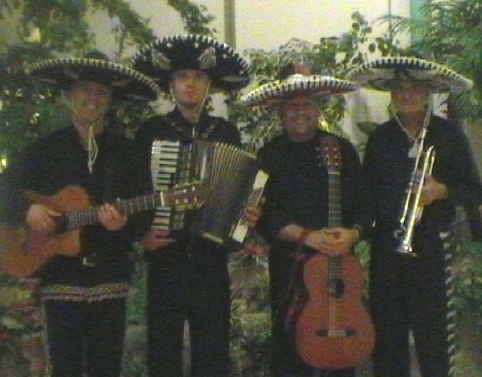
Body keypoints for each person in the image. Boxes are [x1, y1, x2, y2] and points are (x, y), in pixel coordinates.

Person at [0, 51, 160, 377]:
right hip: (60, 277)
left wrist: (124, 223)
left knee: (106, 368)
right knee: (66, 368)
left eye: (101, 92)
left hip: (110, 277)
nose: (92, 98)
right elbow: (4, 190)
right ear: (68, 96)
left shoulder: (127, 153)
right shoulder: (44, 150)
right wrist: (28, 210)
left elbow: (145, 214)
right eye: (85, 90)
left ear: (110, 100)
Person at [348, 56, 482, 377]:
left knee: (434, 341)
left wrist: (443, 191)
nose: (406, 94)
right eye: (399, 88)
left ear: (428, 92)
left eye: (414, 88)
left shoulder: (448, 135)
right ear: (391, 93)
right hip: (387, 253)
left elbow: (474, 190)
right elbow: (367, 196)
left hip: (432, 252)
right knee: (388, 343)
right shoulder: (381, 139)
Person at [131, 34, 254, 376]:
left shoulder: (226, 132)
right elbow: (134, 190)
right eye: (183, 76)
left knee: (212, 355)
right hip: (166, 259)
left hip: (210, 259)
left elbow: (244, 188)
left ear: (209, 85)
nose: (191, 84)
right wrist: (142, 235)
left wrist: (244, 217)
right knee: (163, 354)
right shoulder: (151, 131)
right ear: (171, 84)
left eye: (199, 78)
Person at [239, 63, 372, 377]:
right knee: (289, 355)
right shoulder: (267, 154)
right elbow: (258, 216)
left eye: (307, 104)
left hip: (340, 269)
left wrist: (353, 234)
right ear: (281, 111)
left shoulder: (342, 150)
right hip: (290, 269)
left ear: (318, 108)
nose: (300, 112)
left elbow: (366, 207)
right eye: (292, 106)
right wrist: (305, 235)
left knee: (341, 359)